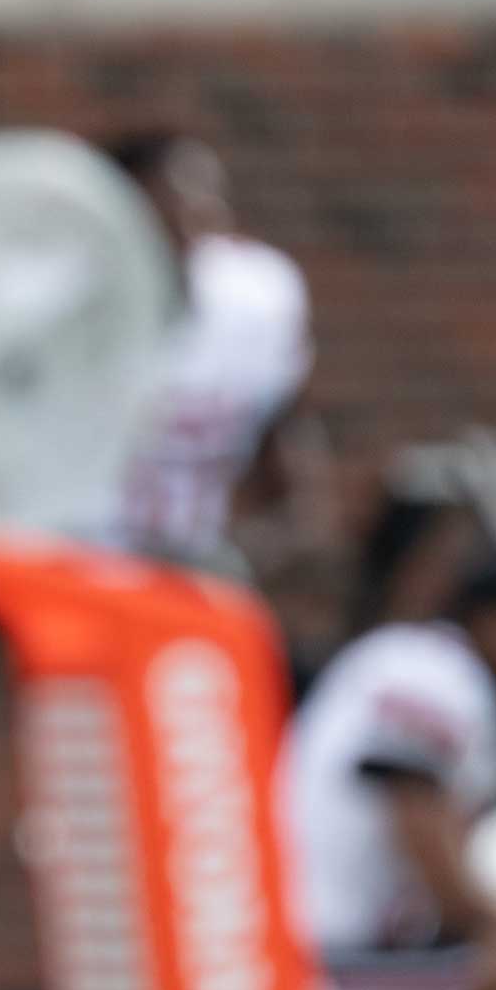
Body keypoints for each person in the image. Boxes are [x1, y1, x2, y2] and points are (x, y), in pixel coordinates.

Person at [102, 130, 341, 646]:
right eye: (167, 210)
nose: (188, 227)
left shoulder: (253, 303)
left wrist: (254, 554)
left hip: (195, 573)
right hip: (80, 574)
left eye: (201, 205)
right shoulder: (62, 320)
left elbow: (293, 475)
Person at [284, 561, 496, 990]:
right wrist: (485, 921)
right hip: (322, 951)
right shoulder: (430, 667)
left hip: (335, 942)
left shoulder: (433, 666)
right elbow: (415, 815)